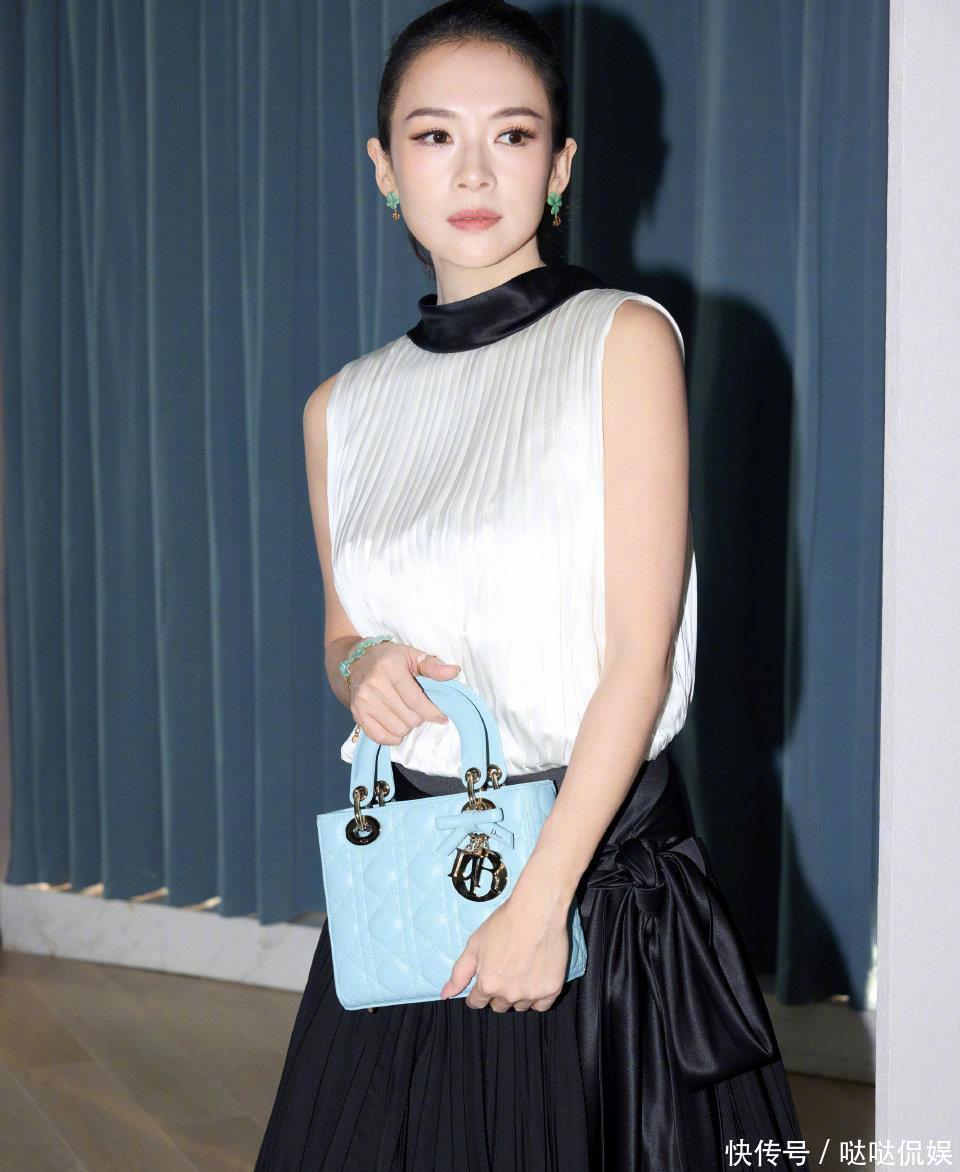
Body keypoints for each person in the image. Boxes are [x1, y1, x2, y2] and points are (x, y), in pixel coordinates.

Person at [255, 2, 807, 1168]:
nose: (472, 171)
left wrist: (540, 900)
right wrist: (362, 666)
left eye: (510, 135)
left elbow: (639, 659)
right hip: (416, 880)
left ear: (557, 168)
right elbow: (343, 629)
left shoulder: (620, 339)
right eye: (433, 135)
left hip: (588, 884)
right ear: (384, 169)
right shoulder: (339, 407)